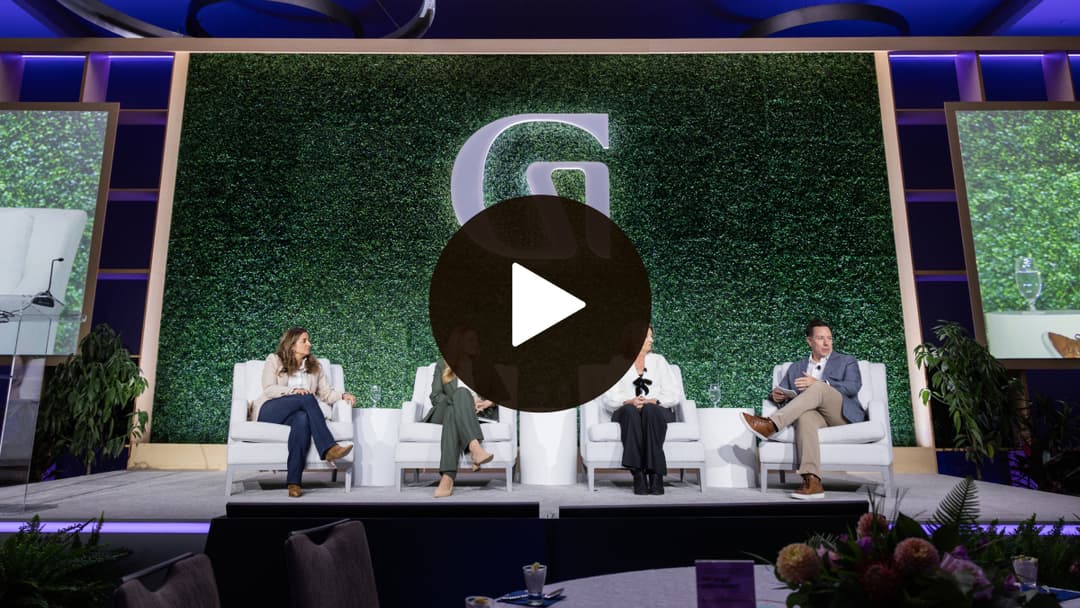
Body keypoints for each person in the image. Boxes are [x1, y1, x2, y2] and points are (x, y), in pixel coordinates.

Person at [741, 319, 864, 500]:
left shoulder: (847, 361)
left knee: (819, 388)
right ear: (809, 341)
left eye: (829, 338)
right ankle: (812, 481)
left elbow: (853, 387)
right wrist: (776, 396)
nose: (826, 342)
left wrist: (821, 384)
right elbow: (784, 392)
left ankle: (771, 424)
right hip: (816, 417)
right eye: (821, 338)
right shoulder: (796, 367)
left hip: (841, 413)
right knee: (805, 417)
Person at [251, 327, 356, 498]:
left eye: (308, 340)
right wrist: (294, 391)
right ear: (292, 345)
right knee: (307, 397)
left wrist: (342, 395)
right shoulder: (275, 360)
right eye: (304, 341)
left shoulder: (315, 367)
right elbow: (269, 389)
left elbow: (326, 394)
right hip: (271, 409)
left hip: (295, 413)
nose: (309, 344)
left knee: (302, 419)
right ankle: (328, 448)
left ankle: (294, 483)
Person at [601, 325, 679, 495]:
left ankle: (656, 475)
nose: (652, 340)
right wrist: (629, 401)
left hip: (656, 409)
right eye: (647, 337)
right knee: (630, 411)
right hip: (627, 409)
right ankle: (638, 474)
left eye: (651, 336)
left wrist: (654, 400)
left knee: (650, 410)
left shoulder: (659, 361)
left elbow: (674, 393)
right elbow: (608, 397)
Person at [427, 327, 498, 498]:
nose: (475, 344)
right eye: (470, 340)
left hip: (473, 414)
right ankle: (475, 448)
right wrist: (460, 400)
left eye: (476, 340)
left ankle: (448, 477)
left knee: (455, 410)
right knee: (461, 395)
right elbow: (435, 396)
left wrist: (488, 402)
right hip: (440, 413)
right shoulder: (443, 363)